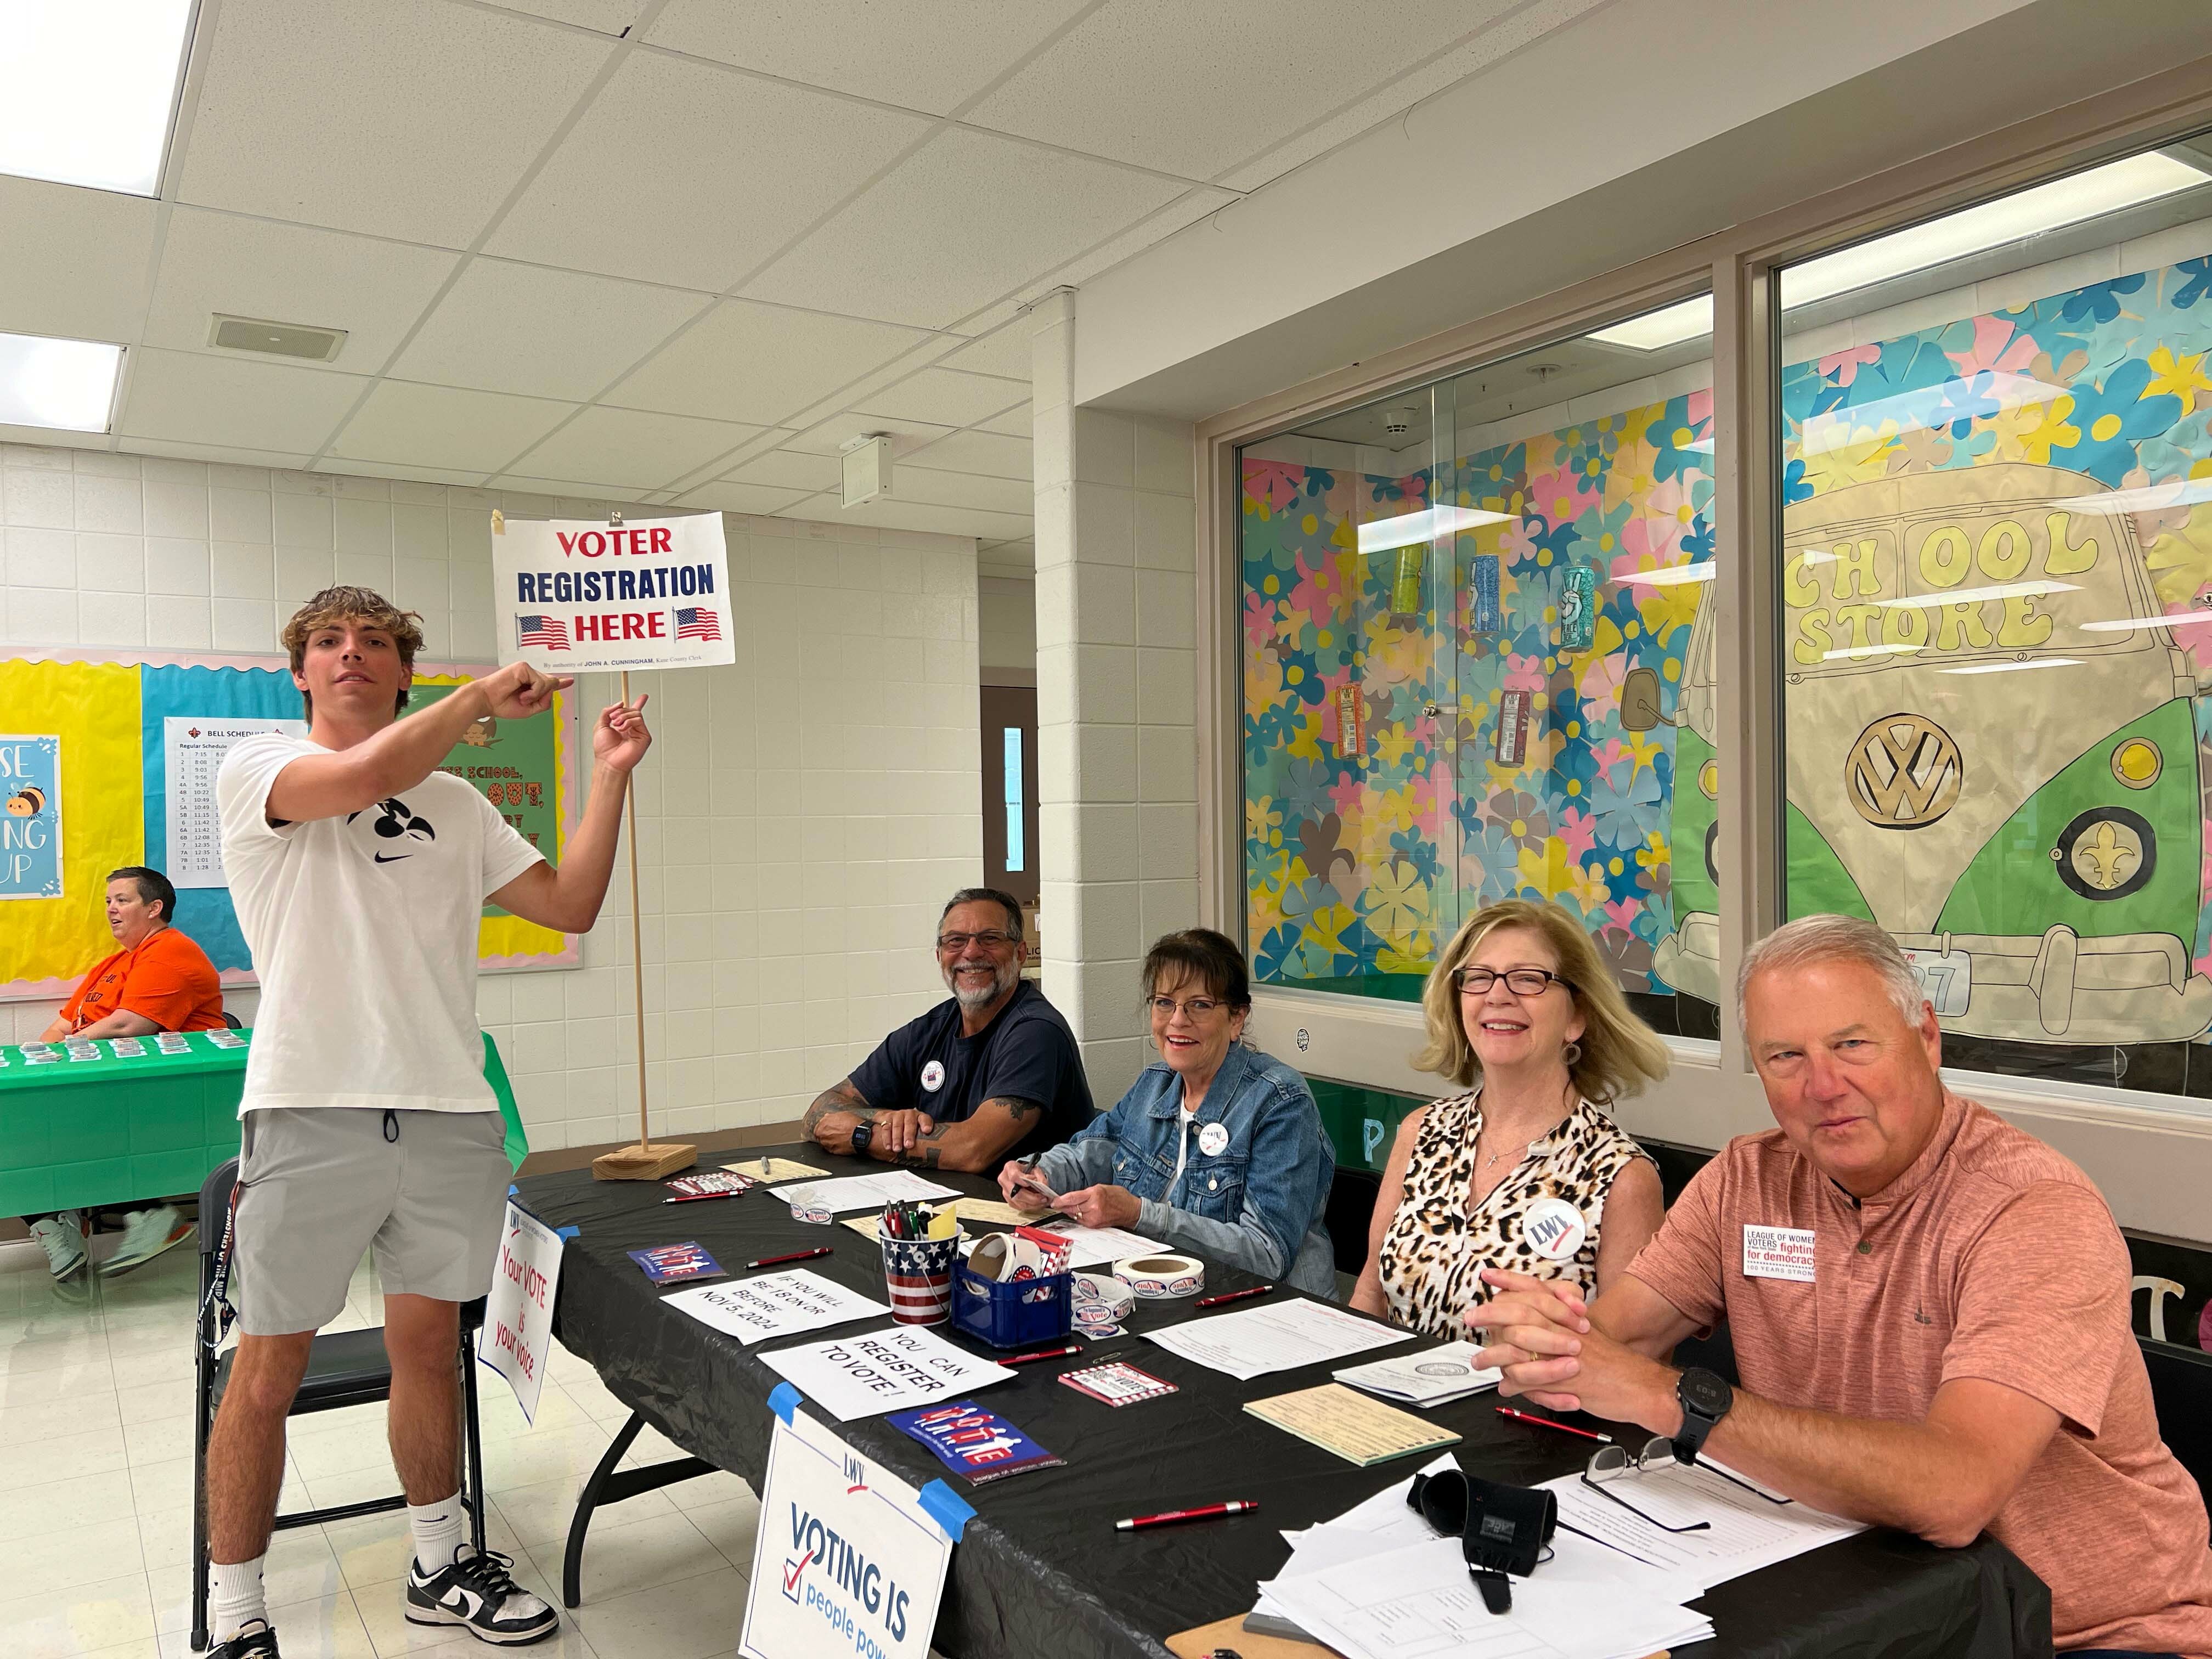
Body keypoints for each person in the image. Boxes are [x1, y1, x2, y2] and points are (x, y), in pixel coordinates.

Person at [1470, 914, 2212, 1657]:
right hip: (1865, 1594)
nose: (1823, 1086)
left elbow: (1954, 1493)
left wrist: (1663, 1398)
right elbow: (1614, 1340)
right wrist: (1548, 1340)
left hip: (2089, 1632)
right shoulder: (1744, 1181)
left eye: (1853, 1045)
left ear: (1925, 1036)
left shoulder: (2031, 1209)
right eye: (1785, 1056)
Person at [204, 586, 651, 1659]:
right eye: (326, 642)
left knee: (428, 1356)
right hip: (311, 1107)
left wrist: (608, 777)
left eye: (373, 643)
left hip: (449, 1111)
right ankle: (235, 1616)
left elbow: (572, 902)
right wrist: (486, 694)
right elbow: (367, 776)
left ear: (403, 671)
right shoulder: (259, 770)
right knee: (265, 1371)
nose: (349, 653)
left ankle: (437, 1563)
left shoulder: (458, 802)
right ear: (301, 674)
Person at [1350, 899, 1668, 1336]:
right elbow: (1370, 1296)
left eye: (1527, 979)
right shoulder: (1421, 1133)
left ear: (1577, 1016)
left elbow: (1628, 1366)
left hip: (1522, 1406)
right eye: (1478, 978)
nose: (1498, 996)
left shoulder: (1622, 1179)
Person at [997, 928, 1338, 1296]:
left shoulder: (1281, 1103)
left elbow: (1267, 1254)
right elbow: (1089, 1154)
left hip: (1267, 1312)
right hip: (1159, 1293)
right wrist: (1040, 1173)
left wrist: (1138, 1213)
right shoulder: (1155, 1084)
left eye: (1200, 1005)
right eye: (1164, 1002)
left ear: (1237, 1018)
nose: (1177, 1020)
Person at [25, 866, 226, 1282]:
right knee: (21, 1116)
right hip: (106, 1080)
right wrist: (40, 1063)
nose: (112, 910)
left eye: (123, 900)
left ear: (154, 908)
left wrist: (59, 1056)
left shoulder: (172, 951)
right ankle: (53, 1220)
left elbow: (128, 1026)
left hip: (166, 1089)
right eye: (108, 902)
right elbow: (63, 1026)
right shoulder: (114, 963)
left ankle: (148, 1213)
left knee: (57, 1124)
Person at [803, 888, 1093, 1170]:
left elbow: (972, 1151)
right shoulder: (928, 1030)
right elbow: (818, 1113)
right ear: (940, 956)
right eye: (955, 941)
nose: (971, 952)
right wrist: (885, 1118)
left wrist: (864, 1135)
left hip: (1031, 1213)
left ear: (1020, 954)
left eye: (990, 939)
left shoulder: (1036, 1032)